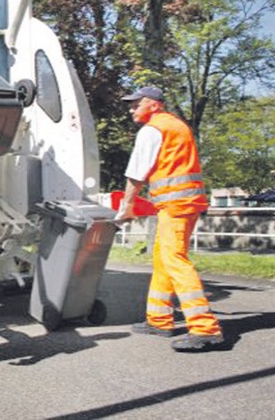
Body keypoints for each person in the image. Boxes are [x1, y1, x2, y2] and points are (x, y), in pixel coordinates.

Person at [117, 85, 226, 352]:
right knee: (163, 259)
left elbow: (137, 173)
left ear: (153, 104)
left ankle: (205, 329)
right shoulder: (175, 125)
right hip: (180, 204)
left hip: (177, 205)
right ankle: (159, 320)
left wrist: (127, 205)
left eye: (135, 104)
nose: (131, 109)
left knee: (175, 260)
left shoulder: (153, 129)